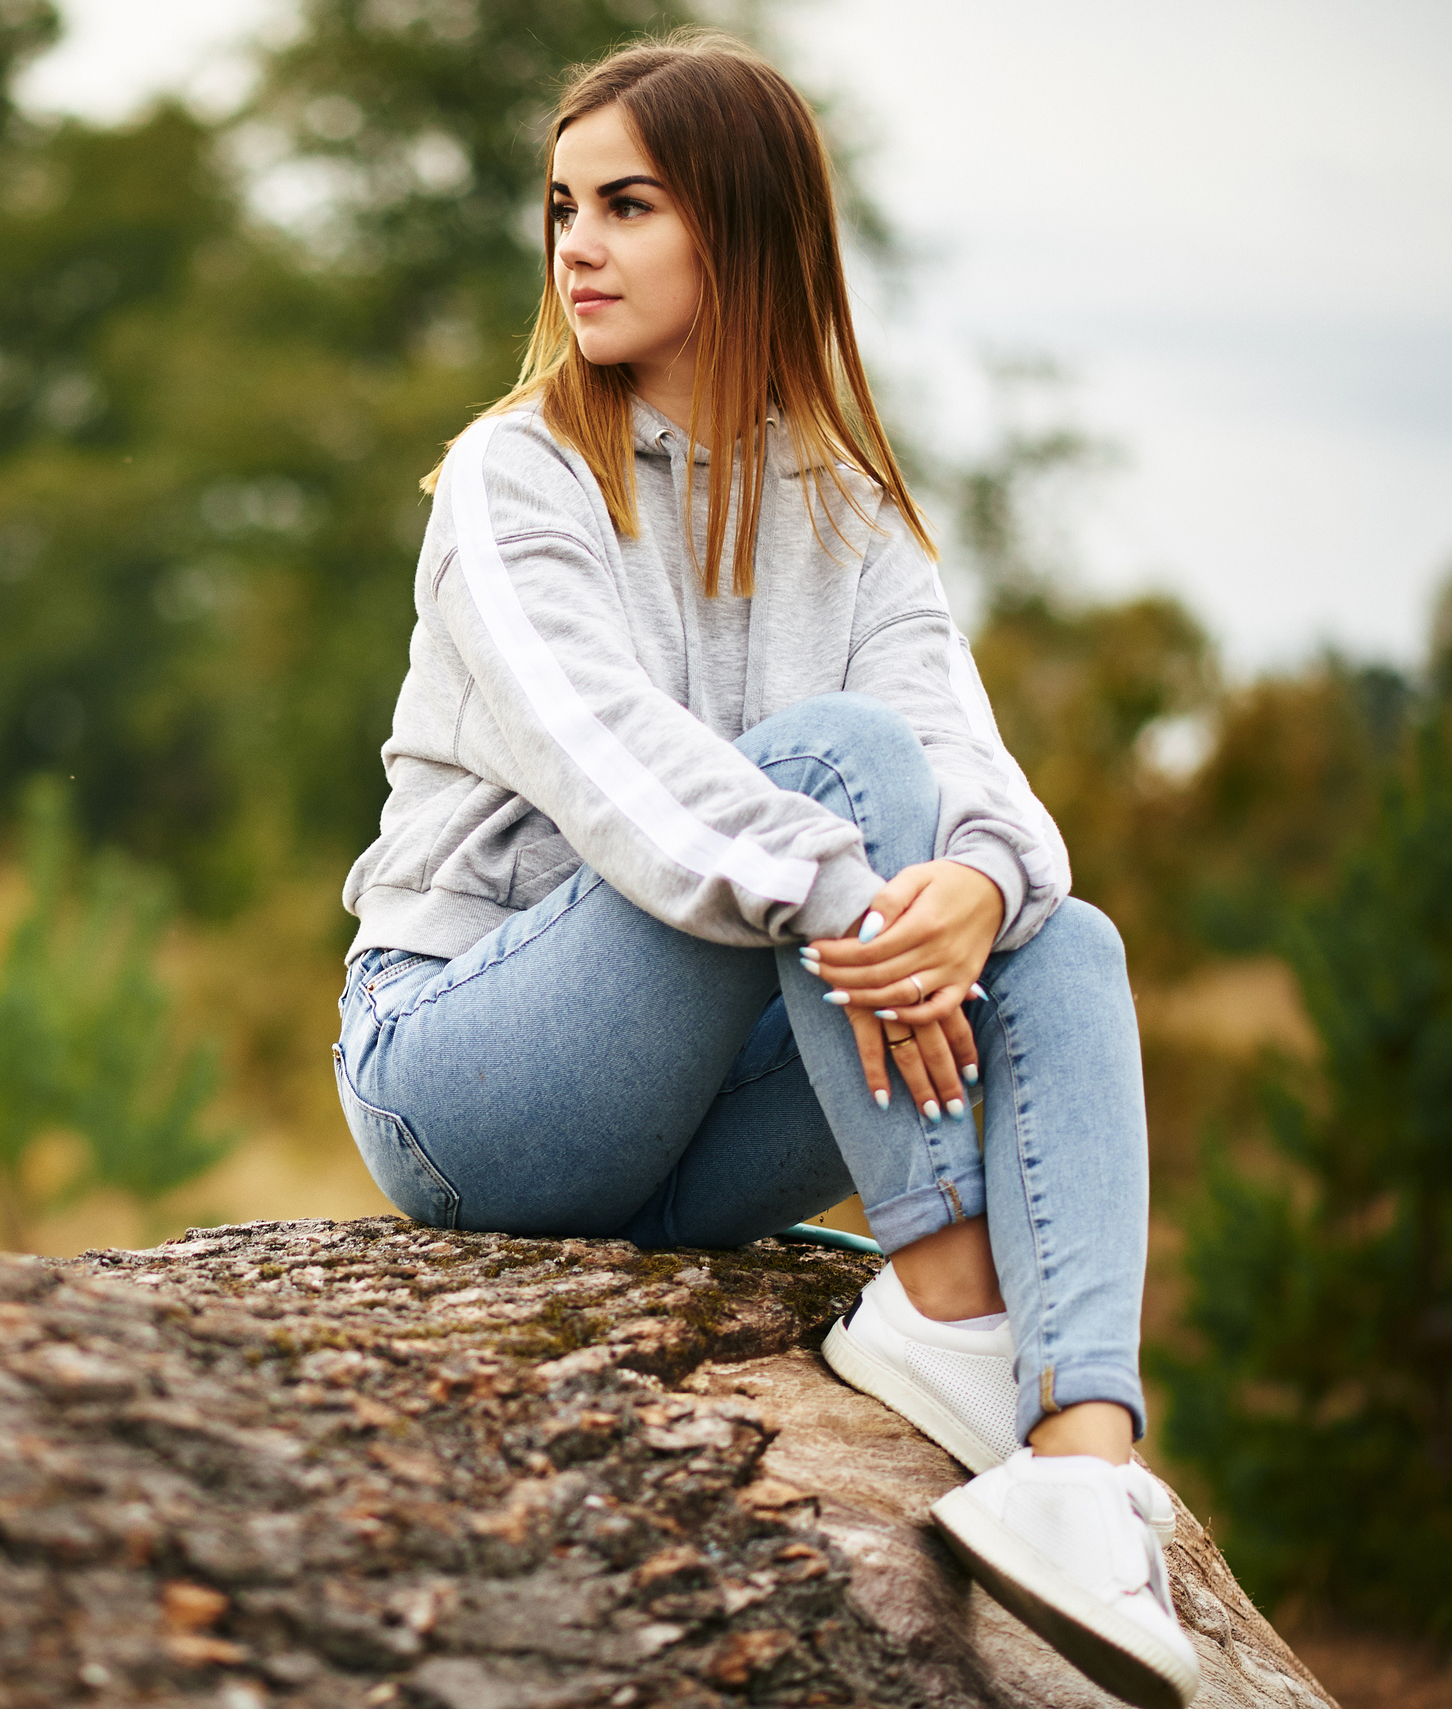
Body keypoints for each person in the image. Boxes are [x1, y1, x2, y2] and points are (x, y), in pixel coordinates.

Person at [331, 28, 1196, 1709]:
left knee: (1063, 933)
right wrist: (857, 885)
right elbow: (620, 777)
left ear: (744, 229)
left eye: (628, 206)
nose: (575, 245)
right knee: (836, 769)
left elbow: (979, 778)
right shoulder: (519, 476)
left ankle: (1086, 1459)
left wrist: (979, 893)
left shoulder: (853, 511)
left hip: (698, 1139)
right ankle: (949, 1300)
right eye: (563, 207)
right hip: (473, 1072)